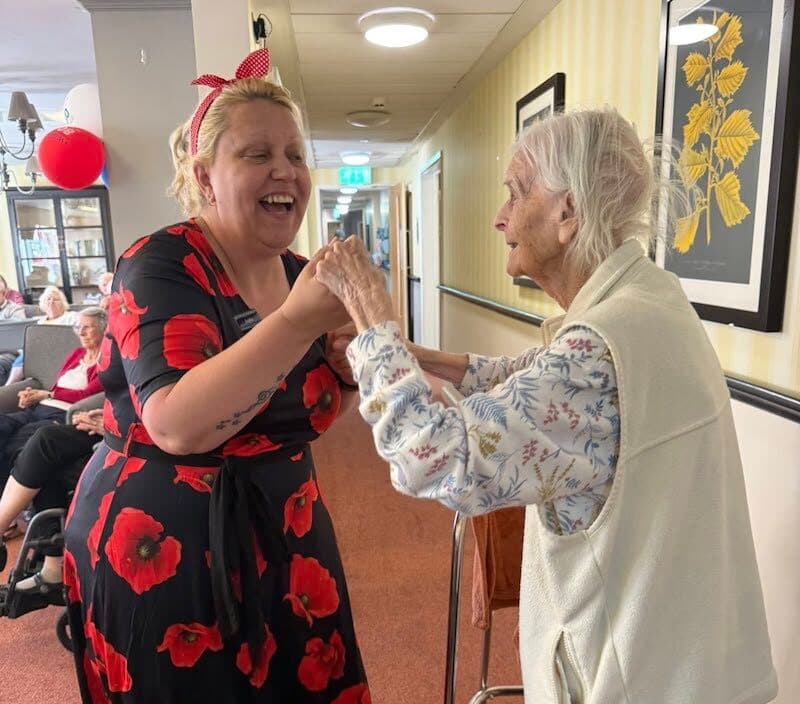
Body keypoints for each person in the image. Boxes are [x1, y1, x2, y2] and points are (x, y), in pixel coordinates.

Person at [315, 109, 777, 703]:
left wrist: (370, 315)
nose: (499, 217)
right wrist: (414, 355)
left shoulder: (596, 353)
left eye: (517, 190)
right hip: (698, 666)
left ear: (569, 212)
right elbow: (534, 378)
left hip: (640, 680)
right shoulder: (647, 300)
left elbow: (433, 457)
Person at [64, 48, 369, 703]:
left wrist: (344, 373)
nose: (284, 170)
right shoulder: (161, 265)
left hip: (287, 529)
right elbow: (177, 424)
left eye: (294, 154)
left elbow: (300, 408)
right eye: (257, 154)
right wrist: (296, 324)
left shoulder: (296, 272)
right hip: (163, 549)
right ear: (205, 176)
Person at [0, 308, 105, 535]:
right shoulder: (77, 354)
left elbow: (86, 395)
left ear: (103, 329)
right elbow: (57, 386)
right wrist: (33, 395)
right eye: (79, 327)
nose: (81, 332)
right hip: (40, 408)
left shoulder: (107, 359)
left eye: (88, 327)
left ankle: (11, 520)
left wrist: (47, 395)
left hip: (61, 414)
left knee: (24, 445)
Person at [0, 410, 103, 583]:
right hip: (115, 421)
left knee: (45, 440)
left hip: (133, 434)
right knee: (38, 460)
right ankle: (53, 568)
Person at [4, 285, 80, 387]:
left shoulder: (72, 316)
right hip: (37, 351)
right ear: (43, 304)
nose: (51, 301)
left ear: (63, 303)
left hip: (59, 350)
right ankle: (9, 387)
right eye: (48, 299)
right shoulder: (39, 321)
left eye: (56, 299)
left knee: (29, 355)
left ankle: (9, 386)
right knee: (26, 354)